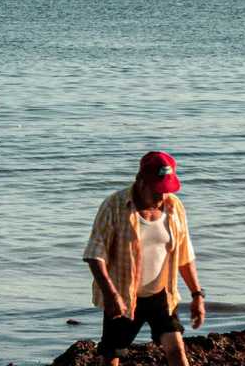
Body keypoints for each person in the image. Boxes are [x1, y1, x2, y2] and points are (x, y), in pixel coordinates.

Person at [82, 151, 205, 366]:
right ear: (140, 181)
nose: (163, 196)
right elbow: (95, 255)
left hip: (162, 297)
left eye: (167, 190)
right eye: (158, 190)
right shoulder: (114, 206)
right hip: (123, 298)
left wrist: (197, 294)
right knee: (112, 358)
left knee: (177, 352)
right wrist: (111, 296)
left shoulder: (174, 207)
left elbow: (185, 254)